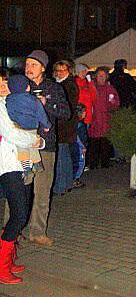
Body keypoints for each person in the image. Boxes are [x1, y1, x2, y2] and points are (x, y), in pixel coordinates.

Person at [0, 69, 45, 283]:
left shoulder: (11, 102)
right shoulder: (1, 106)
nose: (2, 86)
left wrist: (39, 141)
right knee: (18, 214)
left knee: (22, 211)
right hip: (8, 165)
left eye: (4, 82)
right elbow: (11, 134)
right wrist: (35, 141)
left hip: (21, 164)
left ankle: (9, 259)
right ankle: (2, 266)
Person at [24, 49, 71, 246]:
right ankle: (12, 229)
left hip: (45, 147)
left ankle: (37, 231)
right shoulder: (19, 87)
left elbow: (66, 113)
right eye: (27, 64)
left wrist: (47, 105)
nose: (28, 68)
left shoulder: (53, 88)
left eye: (33, 65)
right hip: (22, 147)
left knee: (42, 191)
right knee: (19, 190)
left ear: (43, 68)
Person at [5, 74, 51, 182]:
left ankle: (27, 169)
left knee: (22, 148)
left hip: (18, 127)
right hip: (32, 127)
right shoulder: (34, 100)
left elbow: (9, 114)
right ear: (28, 87)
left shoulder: (9, 100)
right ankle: (37, 163)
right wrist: (46, 125)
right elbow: (41, 114)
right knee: (33, 145)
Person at [52, 60, 79, 196]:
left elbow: (66, 105)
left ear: (69, 71)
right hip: (66, 124)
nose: (60, 72)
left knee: (61, 156)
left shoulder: (67, 85)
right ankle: (66, 184)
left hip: (64, 124)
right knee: (65, 155)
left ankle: (60, 186)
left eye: (63, 70)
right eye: (58, 70)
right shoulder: (62, 84)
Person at [88, 67, 120, 168]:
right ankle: (93, 164)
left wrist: (111, 107)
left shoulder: (110, 89)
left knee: (105, 142)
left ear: (106, 77)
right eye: (99, 75)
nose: (101, 78)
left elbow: (115, 103)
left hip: (106, 119)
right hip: (94, 119)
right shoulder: (91, 87)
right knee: (94, 142)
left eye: (103, 76)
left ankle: (105, 163)